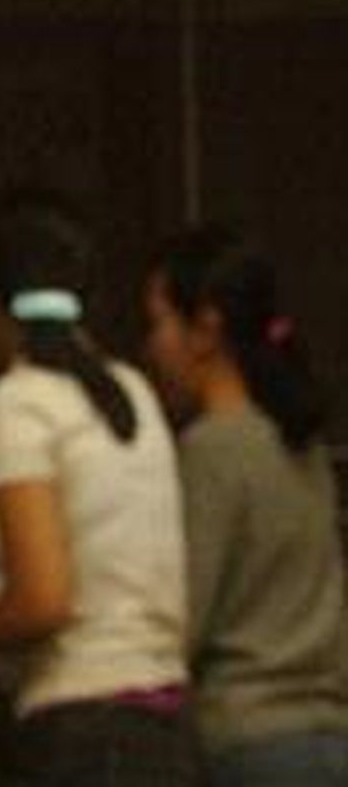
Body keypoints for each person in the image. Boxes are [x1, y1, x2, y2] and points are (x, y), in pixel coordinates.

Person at [0, 193, 198, 785]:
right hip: (167, 724)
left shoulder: (18, 403)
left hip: (83, 725)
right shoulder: (133, 392)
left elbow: (43, 602)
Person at [144, 225, 348, 786]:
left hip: (250, 740)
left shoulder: (212, 447)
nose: (150, 345)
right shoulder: (300, 440)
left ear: (206, 329)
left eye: (159, 322)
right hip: (331, 735)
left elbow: (186, 618)